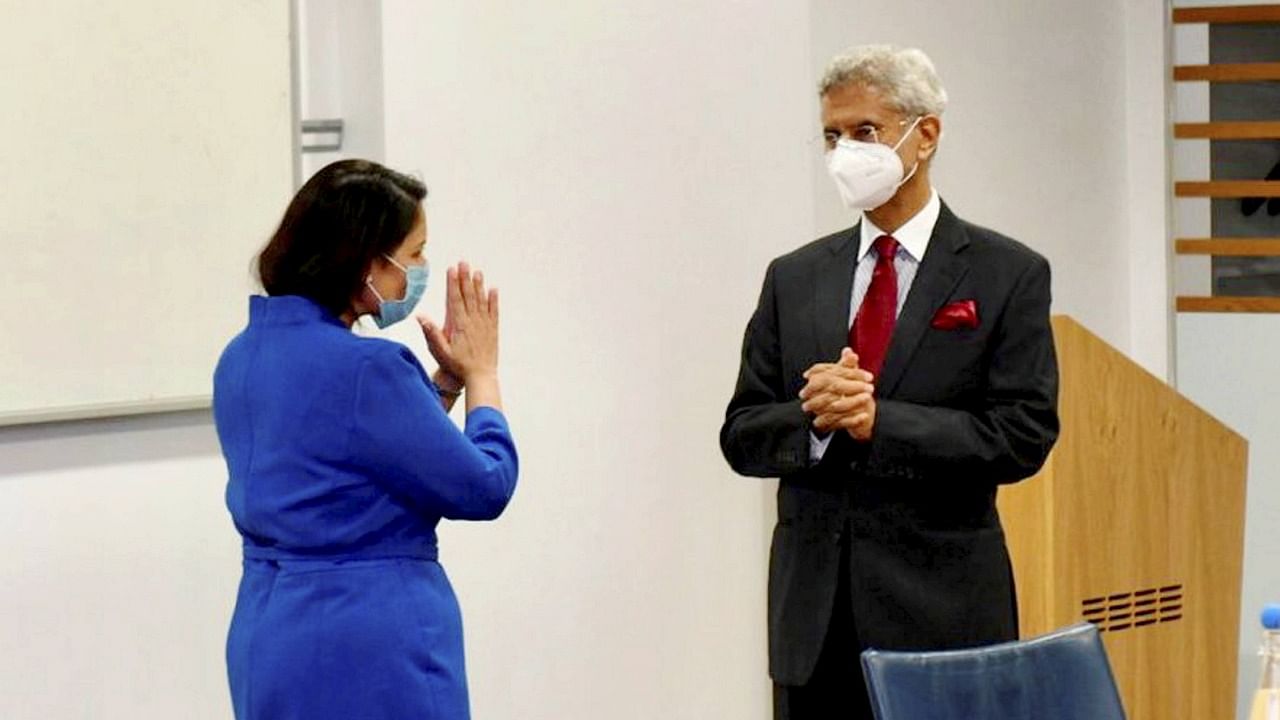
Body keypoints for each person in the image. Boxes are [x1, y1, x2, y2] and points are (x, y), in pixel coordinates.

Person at [719, 45, 1059, 720]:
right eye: (831, 135)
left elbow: (1022, 435)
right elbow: (742, 432)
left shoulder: (1006, 273)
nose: (845, 151)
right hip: (813, 626)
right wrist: (813, 418)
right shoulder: (795, 277)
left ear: (925, 133)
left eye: (865, 132)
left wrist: (882, 421)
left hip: (943, 621)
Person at [212, 159, 518, 719]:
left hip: (270, 630)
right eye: (415, 252)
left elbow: (351, 454)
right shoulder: (368, 369)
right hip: (369, 639)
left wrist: (440, 387)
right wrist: (481, 376)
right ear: (369, 262)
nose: (422, 268)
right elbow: (485, 487)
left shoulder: (242, 356)